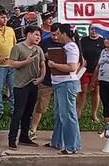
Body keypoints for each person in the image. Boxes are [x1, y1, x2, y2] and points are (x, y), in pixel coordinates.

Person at [7, 26, 46, 149]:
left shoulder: (38, 49)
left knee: (28, 112)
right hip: (20, 85)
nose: (38, 37)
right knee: (18, 112)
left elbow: (42, 65)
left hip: (33, 84)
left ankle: (24, 136)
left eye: (39, 36)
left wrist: (41, 77)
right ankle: (12, 139)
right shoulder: (18, 47)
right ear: (28, 34)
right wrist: (26, 62)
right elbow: (11, 63)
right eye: (36, 35)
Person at [48, 24, 82, 154]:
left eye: (58, 34)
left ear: (64, 34)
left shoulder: (71, 47)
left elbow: (72, 67)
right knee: (59, 114)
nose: (57, 37)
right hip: (59, 83)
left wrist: (54, 64)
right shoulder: (66, 47)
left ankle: (72, 145)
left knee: (68, 115)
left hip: (66, 83)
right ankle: (57, 141)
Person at [30, 23, 62, 140]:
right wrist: (46, 56)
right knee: (40, 106)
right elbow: (37, 56)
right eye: (53, 35)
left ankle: (59, 132)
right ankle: (33, 129)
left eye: (57, 34)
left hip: (61, 79)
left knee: (60, 108)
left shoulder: (66, 43)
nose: (55, 37)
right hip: (47, 79)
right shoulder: (44, 43)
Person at [78, 25, 104, 123]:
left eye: (96, 29)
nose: (94, 31)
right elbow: (79, 53)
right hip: (85, 70)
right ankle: (78, 113)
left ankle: (94, 114)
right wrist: (82, 59)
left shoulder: (102, 42)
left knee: (96, 92)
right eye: (92, 29)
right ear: (88, 30)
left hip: (98, 71)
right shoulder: (83, 41)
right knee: (82, 92)